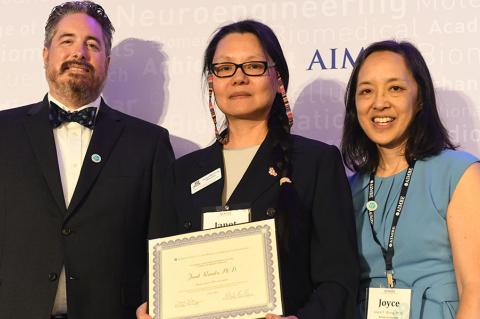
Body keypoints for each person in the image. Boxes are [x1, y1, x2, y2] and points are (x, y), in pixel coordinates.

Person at [137, 20, 359, 319]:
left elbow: (339, 276)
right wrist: (150, 305)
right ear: (212, 81)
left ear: (277, 78)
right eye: (225, 68)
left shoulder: (315, 163)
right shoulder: (182, 172)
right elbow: (155, 268)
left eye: (253, 66)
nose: (238, 78)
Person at [0, 1, 174, 318]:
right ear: (45, 54)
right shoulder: (3, 132)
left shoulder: (148, 144)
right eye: (67, 41)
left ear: (106, 61)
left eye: (91, 45)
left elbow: (162, 242)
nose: (79, 52)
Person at [341, 40, 480, 319]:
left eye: (395, 88)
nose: (379, 103)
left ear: (420, 99)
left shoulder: (458, 174)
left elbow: (475, 289)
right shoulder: (348, 189)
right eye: (366, 91)